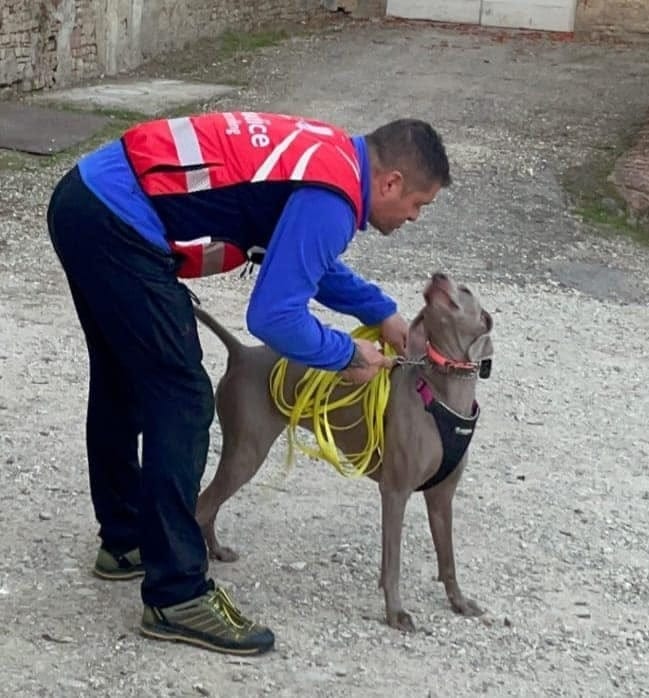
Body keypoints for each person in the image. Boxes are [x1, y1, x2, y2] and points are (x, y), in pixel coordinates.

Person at [46, 110, 451, 655]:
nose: (415, 217)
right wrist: (342, 352)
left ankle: (125, 541)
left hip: (86, 198)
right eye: (418, 205)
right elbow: (274, 317)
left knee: (124, 377)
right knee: (183, 394)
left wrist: (382, 313)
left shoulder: (329, 160)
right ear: (391, 182)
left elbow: (309, 261)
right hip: (118, 222)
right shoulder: (331, 198)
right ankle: (177, 595)